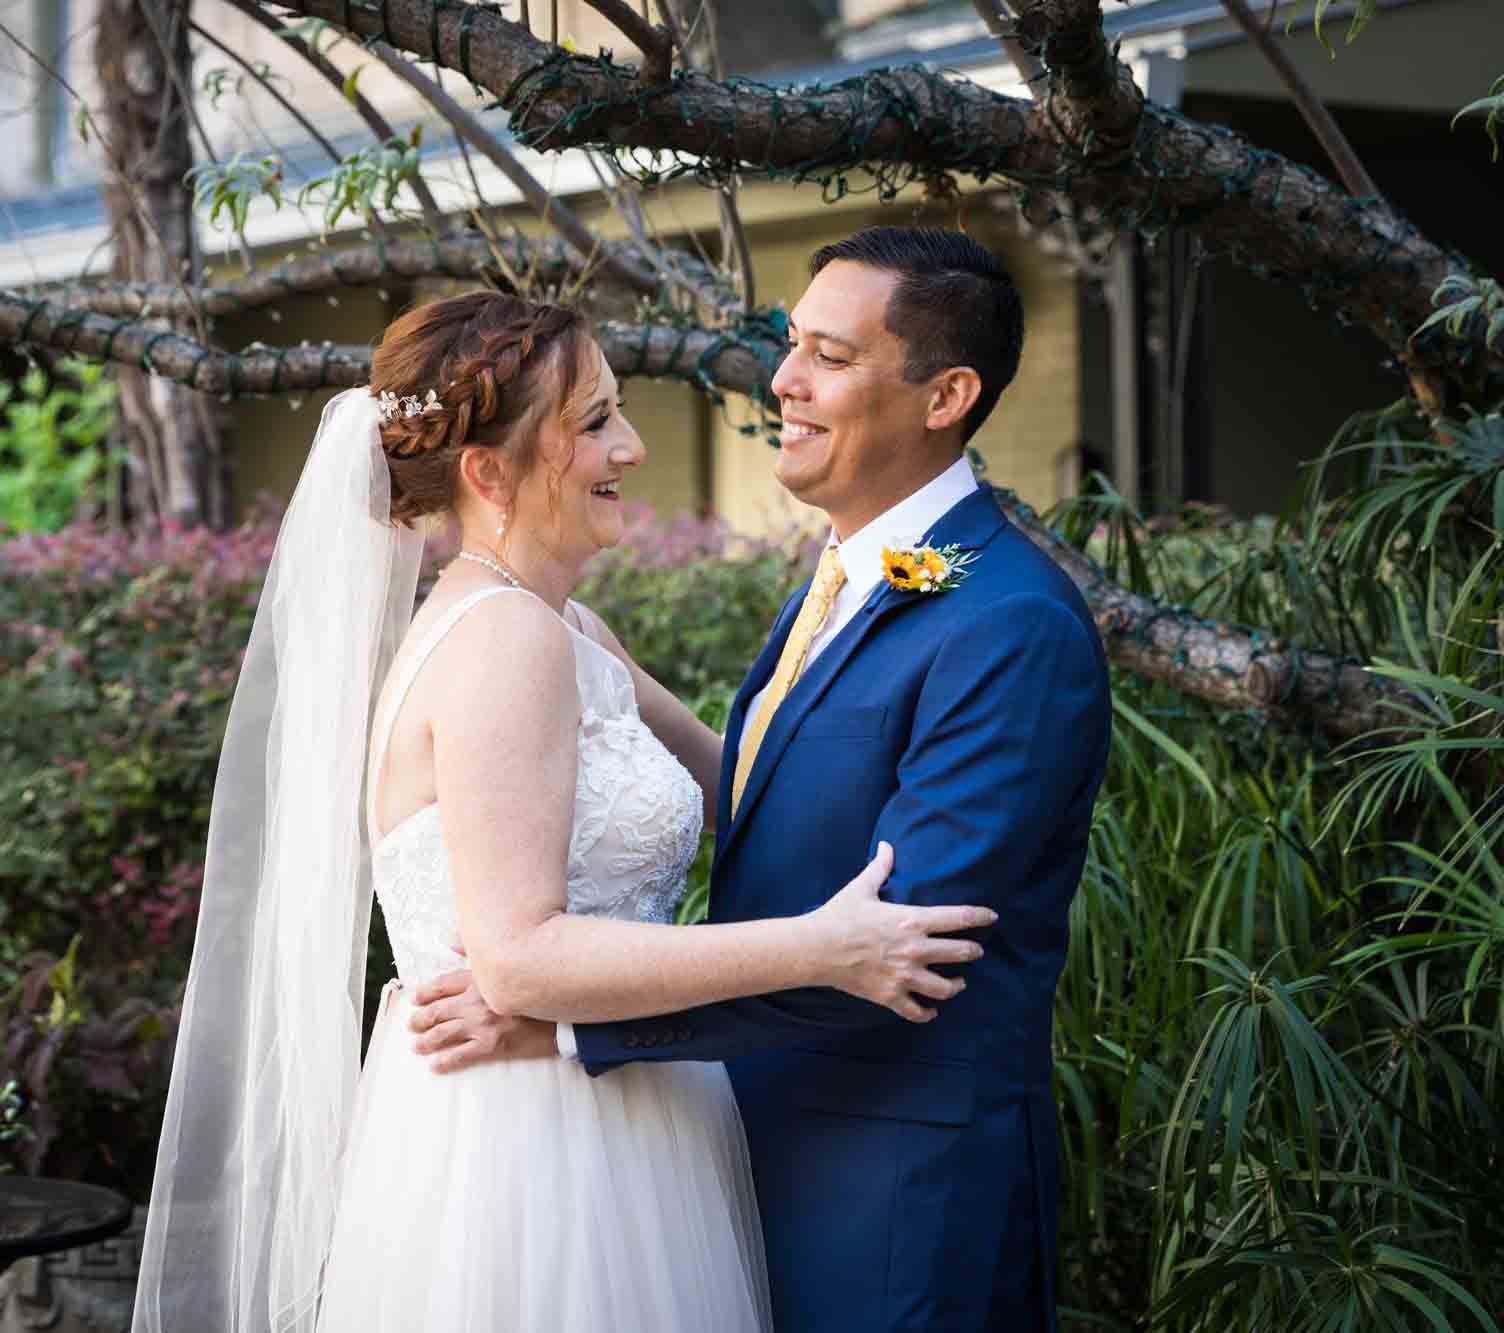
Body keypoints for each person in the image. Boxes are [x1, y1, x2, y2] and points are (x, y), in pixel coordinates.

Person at [129, 290, 998, 1333]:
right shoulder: (506, 642)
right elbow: (519, 960)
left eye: (617, 411)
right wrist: (818, 948)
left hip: (621, 1104)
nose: (628, 446)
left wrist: (904, 671)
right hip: (535, 1138)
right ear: (488, 471)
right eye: (591, 422)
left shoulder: (564, 624)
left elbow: (745, 794)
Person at [411, 229, 1115, 1332]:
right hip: (740, 1149)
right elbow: (777, 809)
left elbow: (902, 944)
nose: (781, 380)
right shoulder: (846, 571)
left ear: (946, 396)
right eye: (791, 345)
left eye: (829, 356)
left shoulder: (1007, 624)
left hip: (894, 1189)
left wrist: (559, 1022)